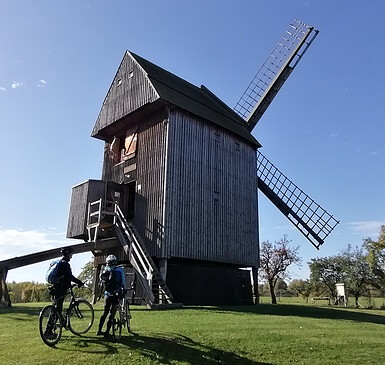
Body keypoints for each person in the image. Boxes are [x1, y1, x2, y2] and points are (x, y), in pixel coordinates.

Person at [97, 254, 126, 338]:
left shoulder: (105, 270)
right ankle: (107, 332)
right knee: (112, 313)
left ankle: (99, 330)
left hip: (107, 294)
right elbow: (123, 282)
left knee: (105, 312)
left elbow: (102, 282)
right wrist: (124, 289)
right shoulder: (120, 270)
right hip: (116, 294)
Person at [53, 247, 84, 322]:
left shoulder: (60, 262)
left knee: (57, 308)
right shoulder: (65, 264)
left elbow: (65, 277)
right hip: (61, 288)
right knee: (57, 310)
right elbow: (70, 276)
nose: (71, 256)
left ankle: (57, 324)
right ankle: (48, 330)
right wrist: (79, 282)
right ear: (68, 254)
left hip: (56, 287)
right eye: (71, 254)